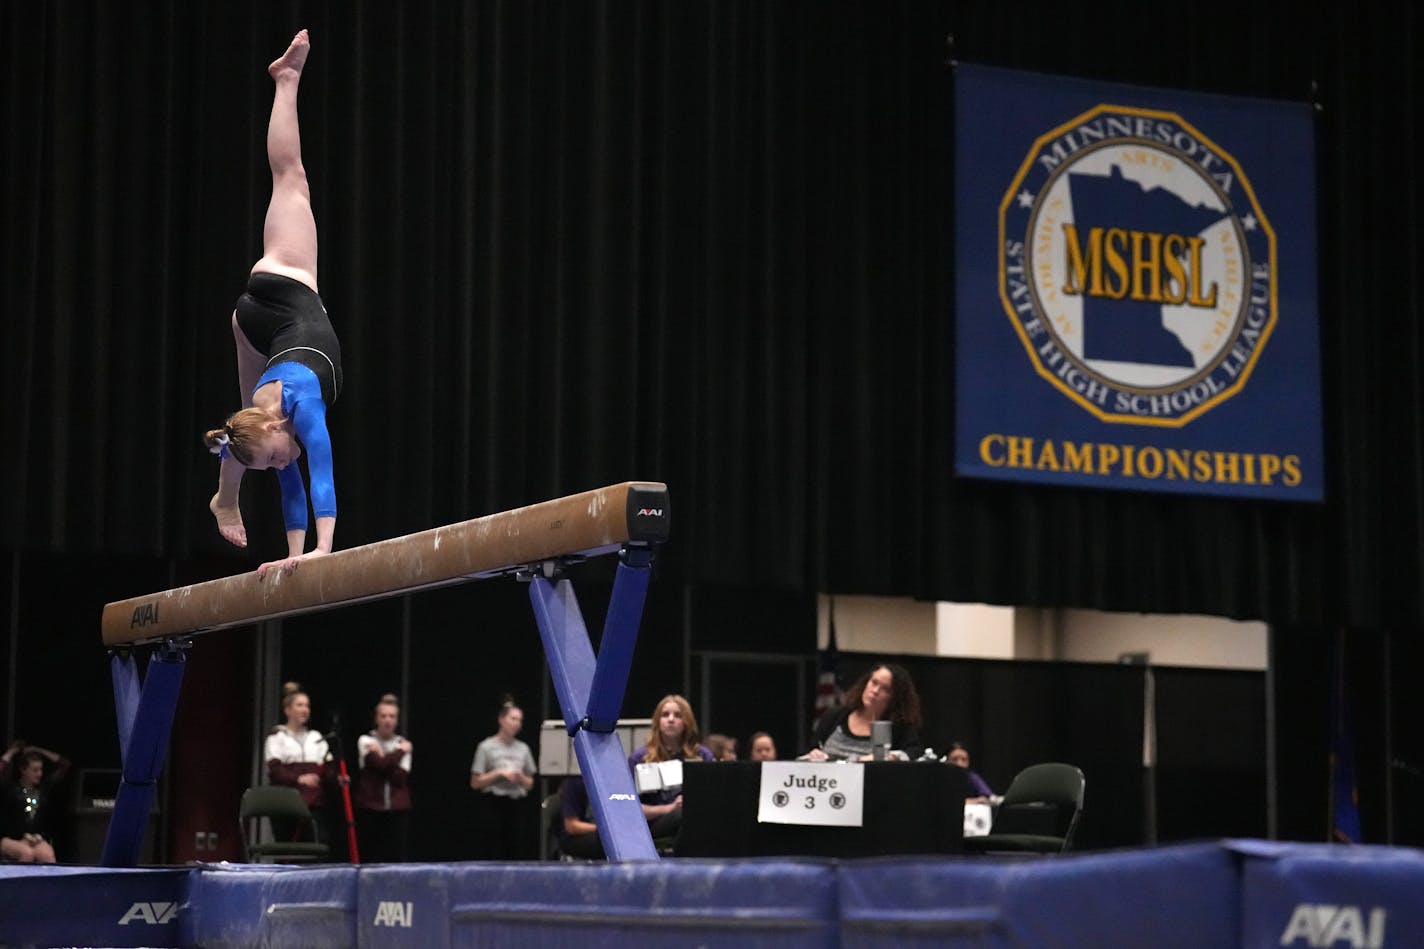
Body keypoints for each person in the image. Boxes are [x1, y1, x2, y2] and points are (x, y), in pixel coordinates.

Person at [203, 28, 343, 580]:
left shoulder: (300, 405)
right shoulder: (271, 429)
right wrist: (292, 558)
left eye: (274, 455)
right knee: (236, 429)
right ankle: (225, 497)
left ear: (280, 422)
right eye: (272, 464)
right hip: (255, 330)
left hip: (283, 289)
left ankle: (286, 81)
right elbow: (290, 483)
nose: (282, 464)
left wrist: (324, 550)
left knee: (292, 179)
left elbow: (322, 476)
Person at [628, 695, 713, 839]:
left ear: (687, 722)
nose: (671, 719)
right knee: (683, 814)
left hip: (695, 818)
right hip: (653, 824)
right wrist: (669, 808)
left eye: (678, 715)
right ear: (657, 721)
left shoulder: (702, 756)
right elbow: (629, 807)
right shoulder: (640, 758)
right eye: (665, 714)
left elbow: (712, 796)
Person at [804, 662, 925, 761]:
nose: (875, 691)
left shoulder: (899, 727)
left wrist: (890, 757)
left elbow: (915, 752)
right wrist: (814, 755)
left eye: (885, 689)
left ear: (895, 697)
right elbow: (812, 749)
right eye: (874, 682)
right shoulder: (835, 715)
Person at [263, 681, 333, 843]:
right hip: (285, 803)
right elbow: (276, 770)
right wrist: (299, 779)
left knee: (318, 842)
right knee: (287, 847)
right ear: (287, 710)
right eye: (299, 705)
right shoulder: (276, 738)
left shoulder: (317, 738)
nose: (305, 709)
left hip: (313, 803)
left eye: (307, 706)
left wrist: (333, 777)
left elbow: (329, 768)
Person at [469, 697, 537, 859]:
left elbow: (530, 783)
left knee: (514, 850)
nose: (516, 724)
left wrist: (520, 777)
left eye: (520, 720)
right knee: (491, 848)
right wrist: (497, 773)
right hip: (493, 803)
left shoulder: (523, 748)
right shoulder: (486, 747)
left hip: (516, 804)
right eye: (513, 719)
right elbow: (475, 782)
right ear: (501, 719)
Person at [353, 694, 413, 862]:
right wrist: (399, 753)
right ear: (376, 718)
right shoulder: (365, 740)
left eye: (392, 716)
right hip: (370, 808)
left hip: (397, 810)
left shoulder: (403, 742)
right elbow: (378, 765)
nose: (388, 720)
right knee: (370, 856)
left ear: (397, 720)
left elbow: (399, 778)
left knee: (395, 856)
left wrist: (382, 756)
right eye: (383, 716)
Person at [1, 741, 70, 864]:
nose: (39, 774)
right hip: (10, 839)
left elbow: (63, 764)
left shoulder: (43, 789)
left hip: (35, 839)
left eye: (41, 770)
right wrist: (12, 752)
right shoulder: (10, 789)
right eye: (35, 770)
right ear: (23, 770)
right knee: (27, 853)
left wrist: (38, 749)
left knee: (47, 855)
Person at [556, 775, 605, 860]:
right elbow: (571, 826)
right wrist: (603, 829)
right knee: (607, 843)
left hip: (604, 832)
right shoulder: (575, 779)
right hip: (577, 836)